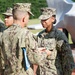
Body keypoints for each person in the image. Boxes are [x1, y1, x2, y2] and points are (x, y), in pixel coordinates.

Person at [1, 3, 50, 75]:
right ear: (24, 18)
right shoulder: (26, 34)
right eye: (28, 17)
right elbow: (36, 59)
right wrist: (46, 53)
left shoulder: (3, 34)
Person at [35, 7, 75, 75]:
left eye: (45, 19)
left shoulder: (59, 36)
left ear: (53, 19)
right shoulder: (40, 35)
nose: (43, 22)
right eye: (42, 20)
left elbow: (67, 58)